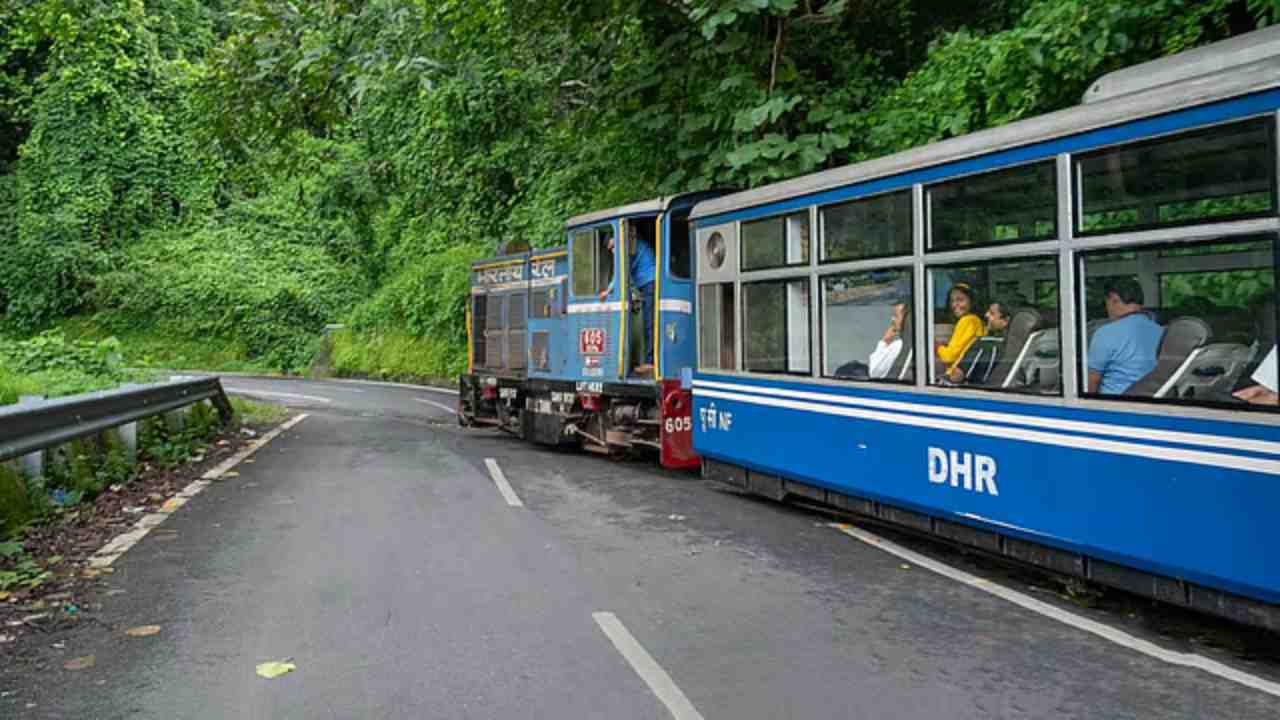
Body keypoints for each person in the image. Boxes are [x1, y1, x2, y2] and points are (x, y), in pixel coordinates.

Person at [1087, 277, 1163, 395]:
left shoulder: (1105, 333)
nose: (1107, 309)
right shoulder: (1161, 331)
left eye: (1106, 303)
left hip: (1114, 407)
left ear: (1114, 299)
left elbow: (1091, 382)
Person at [600, 231, 656, 373]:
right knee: (649, 322)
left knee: (650, 323)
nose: (613, 251)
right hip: (648, 282)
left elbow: (621, 273)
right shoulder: (634, 244)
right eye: (610, 249)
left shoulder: (629, 249)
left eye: (613, 247)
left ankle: (651, 362)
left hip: (650, 282)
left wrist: (607, 291)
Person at [946, 301, 1010, 385]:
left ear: (1005, 320)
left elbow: (957, 377)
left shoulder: (983, 344)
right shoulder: (1008, 344)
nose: (986, 315)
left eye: (991, 313)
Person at [935, 283, 984, 377]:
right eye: (952, 301)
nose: (955, 305)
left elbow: (949, 356)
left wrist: (936, 346)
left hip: (955, 376)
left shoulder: (967, 320)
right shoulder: (977, 320)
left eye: (960, 300)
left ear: (972, 302)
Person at [868, 302, 907, 379]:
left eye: (896, 316)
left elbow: (874, 372)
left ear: (906, 320)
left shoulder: (898, 346)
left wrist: (883, 341)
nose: (892, 319)